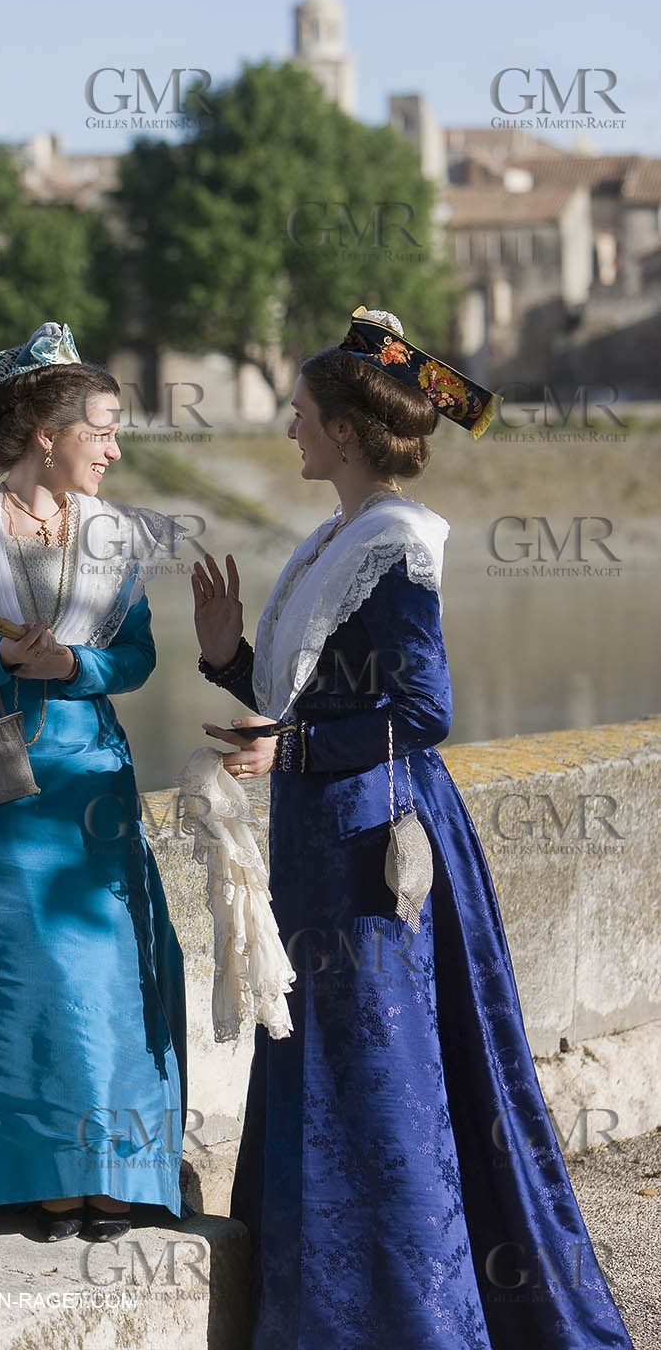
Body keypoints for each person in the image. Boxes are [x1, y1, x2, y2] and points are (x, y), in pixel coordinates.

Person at [193, 307, 633, 1348]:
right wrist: (228, 657)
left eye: (299, 414)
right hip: (320, 833)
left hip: (366, 843)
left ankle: (406, 1322)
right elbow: (304, 693)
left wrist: (289, 753)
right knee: (327, 1057)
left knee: (378, 1072)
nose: (288, 428)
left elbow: (420, 711)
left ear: (344, 430)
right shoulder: (329, 540)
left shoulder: (396, 543)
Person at [0, 322, 194, 1244]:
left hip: (87, 780)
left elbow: (136, 658)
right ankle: (44, 1176)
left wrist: (73, 670)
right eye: (101, 430)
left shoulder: (116, 535)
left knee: (103, 971)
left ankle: (113, 1172)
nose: (115, 448)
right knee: (23, 974)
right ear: (45, 434)